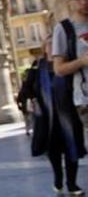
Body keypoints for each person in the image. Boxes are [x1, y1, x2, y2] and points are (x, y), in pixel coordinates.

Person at [26, 33, 86, 195]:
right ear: (44, 48)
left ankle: (72, 184)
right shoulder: (37, 68)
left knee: (71, 149)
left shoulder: (67, 65)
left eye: (56, 44)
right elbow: (26, 90)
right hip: (48, 119)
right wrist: (32, 100)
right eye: (50, 44)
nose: (53, 47)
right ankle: (58, 178)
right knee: (54, 152)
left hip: (69, 116)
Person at [52, 0, 88, 129]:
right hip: (85, 99)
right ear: (70, 1)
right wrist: (82, 61)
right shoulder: (64, 29)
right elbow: (58, 69)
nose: (84, 2)